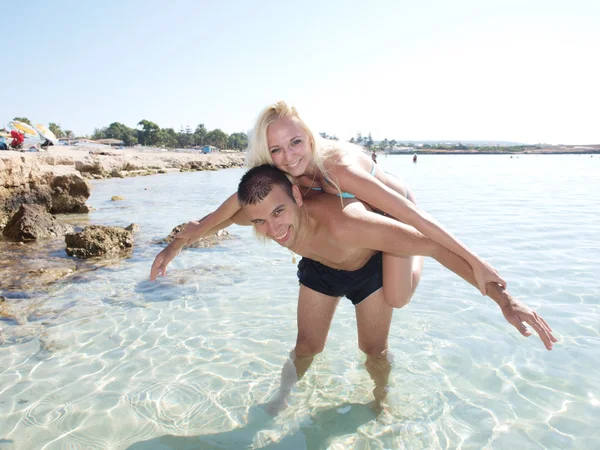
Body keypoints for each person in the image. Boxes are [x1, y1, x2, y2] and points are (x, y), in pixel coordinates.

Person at [151, 164, 556, 414]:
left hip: (370, 269)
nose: (273, 230)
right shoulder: (259, 216)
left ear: (296, 195)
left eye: (279, 213)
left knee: (373, 350)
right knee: (306, 345)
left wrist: (504, 297)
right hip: (320, 269)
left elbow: (435, 246)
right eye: (260, 222)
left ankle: (380, 399)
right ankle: (282, 396)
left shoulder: (349, 222)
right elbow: (217, 220)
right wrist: (176, 245)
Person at [153, 101, 506, 312]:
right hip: (363, 216)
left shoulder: (336, 169)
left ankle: (409, 254)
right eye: (276, 150)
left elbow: (415, 216)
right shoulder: (281, 175)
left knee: (397, 299)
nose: (288, 156)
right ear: (267, 153)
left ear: (309, 136)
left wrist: (476, 262)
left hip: (395, 208)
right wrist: (181, 241)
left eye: (295, 143)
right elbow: (230, 210)